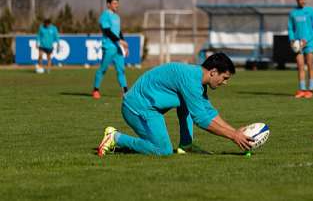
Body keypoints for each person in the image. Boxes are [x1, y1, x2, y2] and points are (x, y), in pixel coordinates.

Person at [97, 53, 253, 157]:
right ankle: (115, 137)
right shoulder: (192, 81)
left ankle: (186, 145)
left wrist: (236, 132)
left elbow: (208, 111)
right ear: (213, 72)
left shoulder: (196, 79)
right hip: (137, 108)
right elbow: (202, 120)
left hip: (150, 108)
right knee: (162, 150)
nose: (225, 83)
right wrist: (233, 136)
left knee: (187, 104)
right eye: (224, 78)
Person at [92, 0, 128, 99]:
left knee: (121, 70)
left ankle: (125, 91)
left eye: (118, 3)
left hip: (117, 47)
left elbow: (118, 32)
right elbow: (107, 31)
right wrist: (120, 41)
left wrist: (123, 44)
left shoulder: (117, 17)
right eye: (114, 3)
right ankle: (95, 89)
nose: (117, 5)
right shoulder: (105, 16)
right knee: (103, 69)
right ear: (108, 4)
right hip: (108, 46)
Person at [288, 0, 313, 98]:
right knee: (300, 66)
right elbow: (290, 28)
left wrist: (307, 39)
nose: (303, 1)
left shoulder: (311, 11)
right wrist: (292, 39)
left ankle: (310, 90)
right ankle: (302, 89)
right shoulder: (293, 13)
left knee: (310, 65)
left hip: (309, 43)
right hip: (297, 44)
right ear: (297, 0)